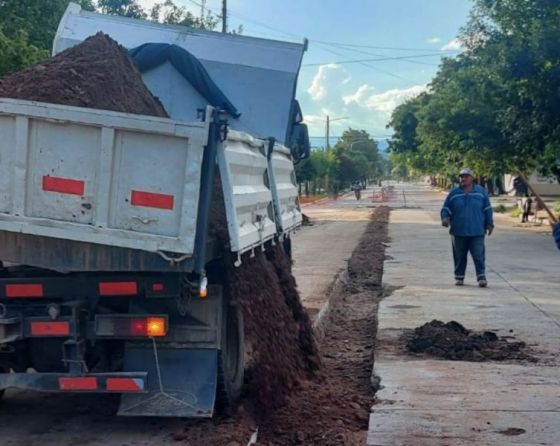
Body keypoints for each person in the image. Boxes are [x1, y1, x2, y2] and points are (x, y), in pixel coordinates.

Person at [441, 168, 494, 287]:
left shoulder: (480, 192)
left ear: (472, 178)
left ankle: (481, 277)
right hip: (458, 231)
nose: (463, 179)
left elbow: (487, 209)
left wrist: (489, 223)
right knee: (459, 256)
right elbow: (446, 208)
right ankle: (459, 277)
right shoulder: (454, 193)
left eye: (466, 176)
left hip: (477, 230)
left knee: (479, 255)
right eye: (461, 177)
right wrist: (445, 218)